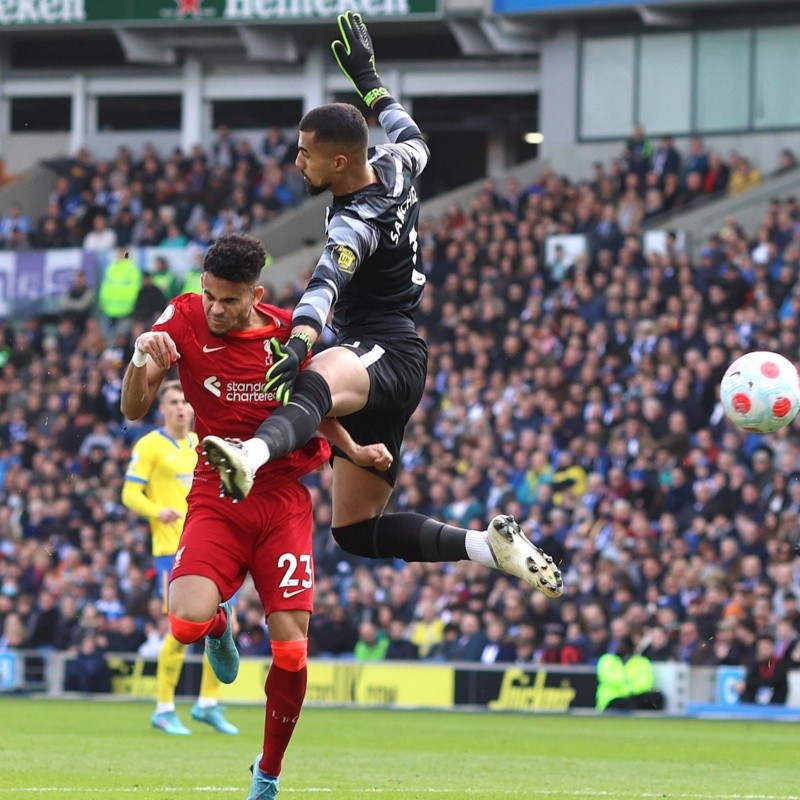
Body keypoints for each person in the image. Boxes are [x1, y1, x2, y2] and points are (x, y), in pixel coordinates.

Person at [201, 11, 563, 601]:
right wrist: (367, 78)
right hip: (384, 359)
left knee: (309, 377)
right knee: (356, 532)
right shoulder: (399, 162)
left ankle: (251, 453)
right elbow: (411, 132)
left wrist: (301, 341)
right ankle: (485, 548)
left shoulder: (356, 222)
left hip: (385, 348)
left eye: (305, 154)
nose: (298, 162)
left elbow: (326, 281)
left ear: (339, 162)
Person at [120, 231, 391, 800]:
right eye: (210, 295)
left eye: (229, 300)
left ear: (256, 294)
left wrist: (354, 450)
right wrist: (141, 352)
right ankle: (220, 627)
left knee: (291, 648)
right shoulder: (184, 318)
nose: (216, 309)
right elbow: (133, 406)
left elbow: (312, 408)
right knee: (185, 623)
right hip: (216, 492)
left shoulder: (288, 337)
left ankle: (267, 774)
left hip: (281, 498)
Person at [121, 380, 239, 737]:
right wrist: (159, 511)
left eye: (185, 403)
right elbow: (129, 493)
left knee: (220, 626)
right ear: (163, 408)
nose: (181, 408)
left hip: (212, 546)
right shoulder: (151, 445)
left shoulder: (202, 443)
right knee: (179, 630)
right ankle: (164, 708)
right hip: (170, 551)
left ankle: (207, 704)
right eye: (173, 402)